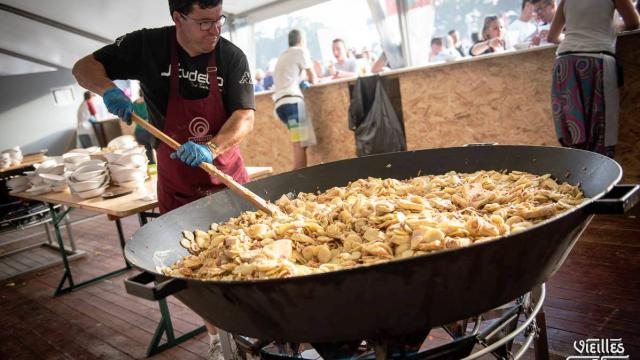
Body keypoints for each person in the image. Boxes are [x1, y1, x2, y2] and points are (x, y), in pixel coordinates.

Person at [72, 0, 255, 359]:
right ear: (177, 18)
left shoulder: (232, 57)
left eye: (219, 20)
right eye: (204, 23)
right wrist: (108, 89)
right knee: (198, 270)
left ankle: (253, 331)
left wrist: (212, 147)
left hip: (224, 174)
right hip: (178, 183)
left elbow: (244, 116)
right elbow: (83, 67)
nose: (214, 30)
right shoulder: (147, 46)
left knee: (247, 257)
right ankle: (219, 338)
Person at [547, 0, 639, 158]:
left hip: (565, 64)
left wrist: (576, 35)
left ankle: (577, 180)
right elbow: (633, 23)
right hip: (597, 62)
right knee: (601, 136)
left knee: (573, 139)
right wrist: (615, 28)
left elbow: (552, 37)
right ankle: (602, 181)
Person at [272, 29, 318, 169]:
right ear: (301, 40)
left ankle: (299, 176)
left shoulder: (283, 55)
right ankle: (299, 178)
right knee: (300, 144)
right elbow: (313, 79)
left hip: (281, 105)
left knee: (299, 142)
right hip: (292, 103)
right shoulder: (300, 51)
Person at [132, 89, 156, 164]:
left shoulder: (134, 103)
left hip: (139, 131)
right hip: (149, 130)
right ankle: (153, 165)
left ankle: (149, 164)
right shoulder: (148, 102)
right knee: (153, 150)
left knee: (146, 150)